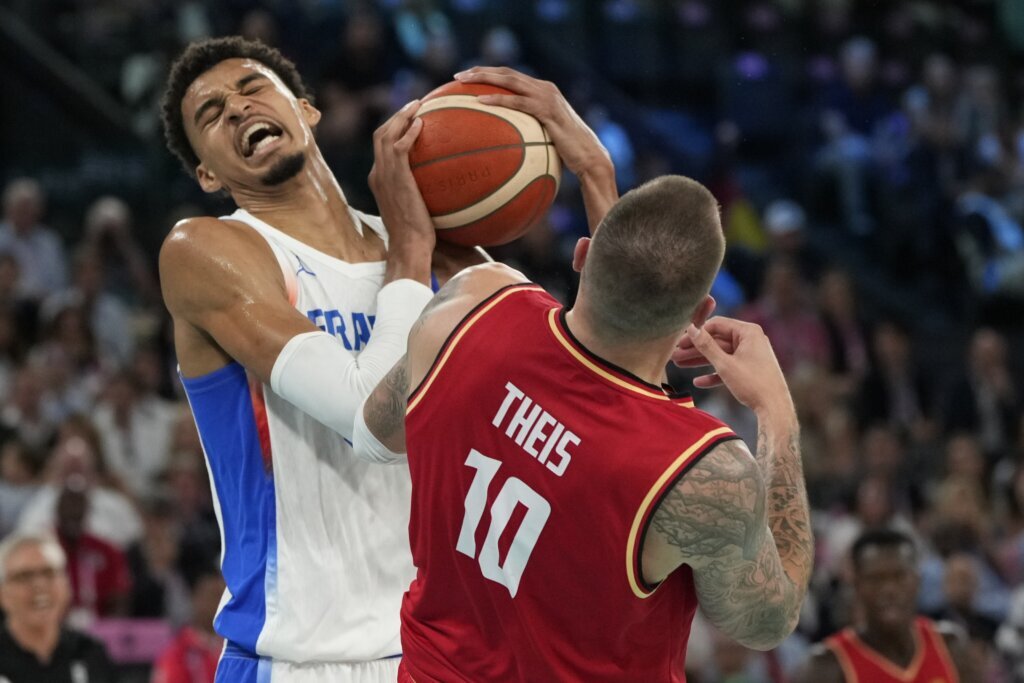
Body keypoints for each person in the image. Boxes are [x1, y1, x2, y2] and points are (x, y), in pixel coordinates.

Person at [158, 40, 601, 681]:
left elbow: (591, 386)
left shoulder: (440, 259)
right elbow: (377, 425)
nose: (235, 109)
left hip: (444, 649)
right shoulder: (209, 250)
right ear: (207, 175)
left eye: (251, 87)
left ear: (305, 109)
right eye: (211, 114)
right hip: (299, 658)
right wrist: (413, 251)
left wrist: (593, 170)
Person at [355, 156, 813, 678]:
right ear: (699, 314)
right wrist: (777, 413)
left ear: (583, 254)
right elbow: (766, 622)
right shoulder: (701, 471)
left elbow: (375, 433)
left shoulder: (471, 302)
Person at [794, 528, 975, 683]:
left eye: (899, 576)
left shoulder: (950, 647)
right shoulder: (826, 667)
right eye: (876, 579)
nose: (889, 589)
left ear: (917, 581)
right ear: (856, 586)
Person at [0, 531, 116, 682]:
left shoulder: (89, 652)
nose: (39, 585)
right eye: (25, 576)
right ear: (2, 594)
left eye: (49, 573)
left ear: (67, 586)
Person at [151, 563, 226, 683]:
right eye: (213, 596)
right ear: (195, 598)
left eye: (223, 597)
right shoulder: (178, 653)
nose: (219, 603)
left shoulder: (237, 648)